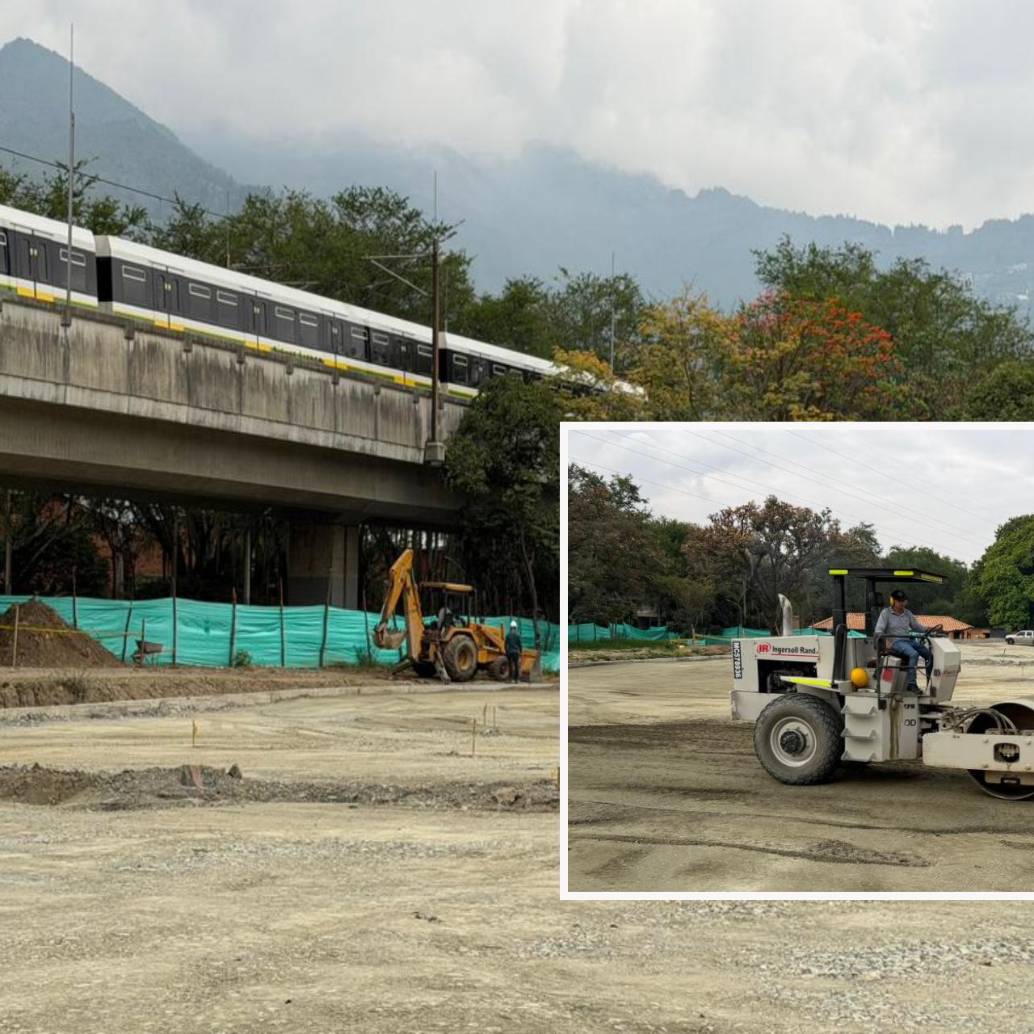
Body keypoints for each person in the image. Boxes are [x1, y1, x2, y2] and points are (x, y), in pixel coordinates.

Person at [873, 589, 932, 691]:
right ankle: (911, 683)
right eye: (899, 601)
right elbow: (878, 630)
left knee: (929, 655)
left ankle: (930, 684)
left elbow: (917, 627)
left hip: (907, 641)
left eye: (903, 601)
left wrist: (930, 629)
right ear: (893, 601)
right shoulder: (885, 613)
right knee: (913, 654)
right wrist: (885, 641)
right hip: (895, 642)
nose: (902, 603)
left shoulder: (908, 613)